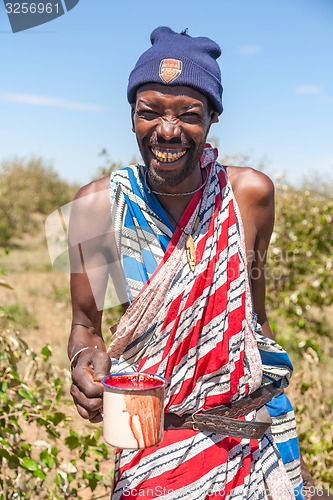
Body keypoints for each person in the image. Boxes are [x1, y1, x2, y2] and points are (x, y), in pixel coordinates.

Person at [68, 27, 317, 499]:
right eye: (149, 113)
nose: (167, 130)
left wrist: (290, 461)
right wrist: (84, 362)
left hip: (248, 439)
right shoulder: (96, 206)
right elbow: (84, 325)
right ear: (132, 118)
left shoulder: (249, 195)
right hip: (152, 437)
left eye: (189, 114)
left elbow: (251, 322)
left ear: (212, 118)